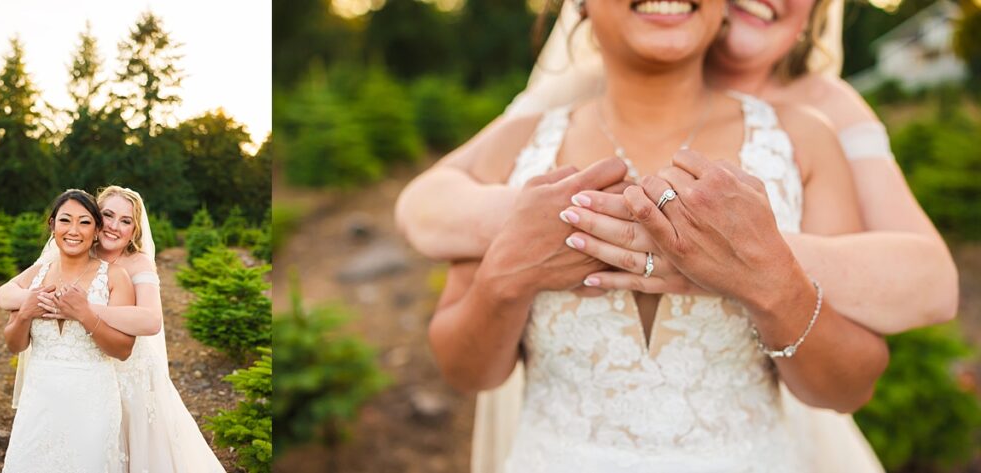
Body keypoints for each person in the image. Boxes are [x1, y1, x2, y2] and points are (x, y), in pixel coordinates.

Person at [394, 0, 958, 471]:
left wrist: (770, 277)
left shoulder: (808, 138)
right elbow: (464, 369)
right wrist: (504, 275)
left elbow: (852, 386)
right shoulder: (521, 143)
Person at [0, 186, 225, 472]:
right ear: (97, 219)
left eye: (126, 221)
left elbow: (151, 321)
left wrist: (84, 310)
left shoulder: (135, 262)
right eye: (108, 215)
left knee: (134, 450)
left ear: (134, 229)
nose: (115, 226)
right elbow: (4, 294)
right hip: (67, 380)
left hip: (128, 375)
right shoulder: (70, 249)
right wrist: (35, 301)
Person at [1, 189, 136, 472]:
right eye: (65, 220)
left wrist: (85, 315)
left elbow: (123, 350)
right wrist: (25, 312)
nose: (74, 230)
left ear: (97, 230)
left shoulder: (114, 277)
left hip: (92, 403)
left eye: (85, 222)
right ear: (52, 225)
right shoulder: (37, 274)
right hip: (39, 400)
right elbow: (14, 345)